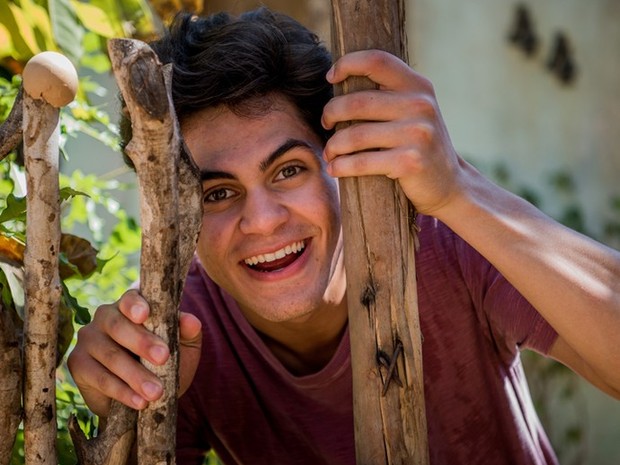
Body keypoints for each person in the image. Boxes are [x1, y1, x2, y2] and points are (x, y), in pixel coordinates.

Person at [67, 7, 620, 465]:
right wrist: (127, 416)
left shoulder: (440, 238)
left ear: (341, 165)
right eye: (217, 194)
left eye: (288, 170)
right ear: (174, 218)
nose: (261, 221)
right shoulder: (179, 339)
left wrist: (459, 191)